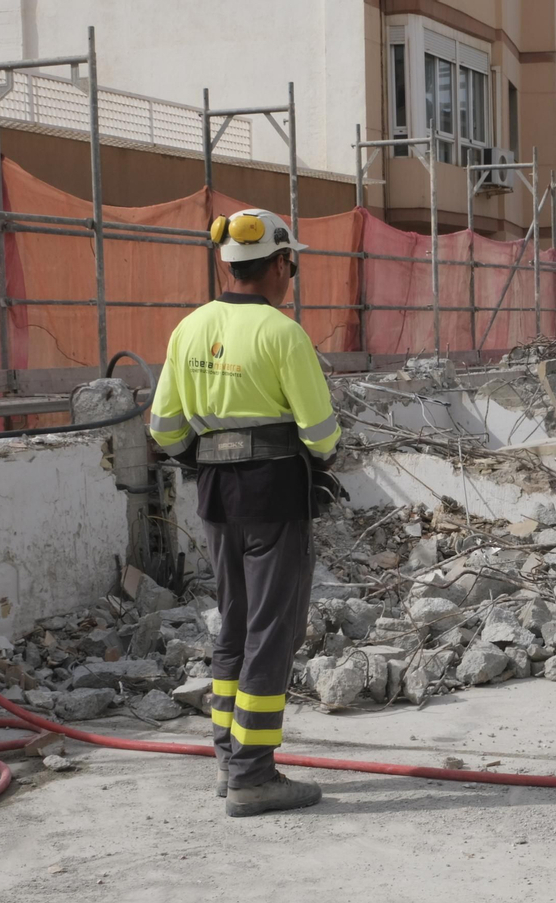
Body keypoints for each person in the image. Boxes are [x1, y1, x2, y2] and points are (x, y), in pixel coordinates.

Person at [148, 208, 344, 816]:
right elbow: (321, 435)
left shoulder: (188, 329)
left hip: (215, 495)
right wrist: (319, 454)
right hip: (274, 494)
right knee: (271, 631)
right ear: (281, 264)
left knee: (232, 625)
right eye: (294, 266)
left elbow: (163, 428)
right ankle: (254, 776)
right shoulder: (284, 335)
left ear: (224, 263)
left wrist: (205, 458)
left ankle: (228, 762)